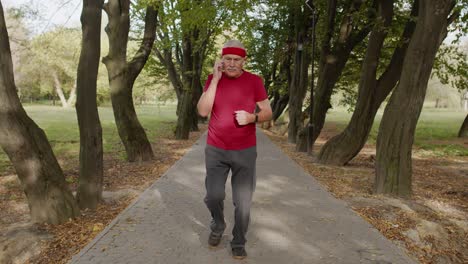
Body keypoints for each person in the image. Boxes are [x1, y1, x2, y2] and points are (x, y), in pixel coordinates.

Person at [197, 39, 273, 260]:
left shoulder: (254, 81)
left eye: (236, 60)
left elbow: (268, 112)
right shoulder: (213, 79)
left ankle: (239, 241)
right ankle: (218, 224)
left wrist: (252, 117)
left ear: (243, 61)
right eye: (227, 59)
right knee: (213, 196)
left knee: (243, 203)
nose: (231, 63)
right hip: (216, 149)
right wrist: (215, 80)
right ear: (222, 60)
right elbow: (203, 111)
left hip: (245, 151)